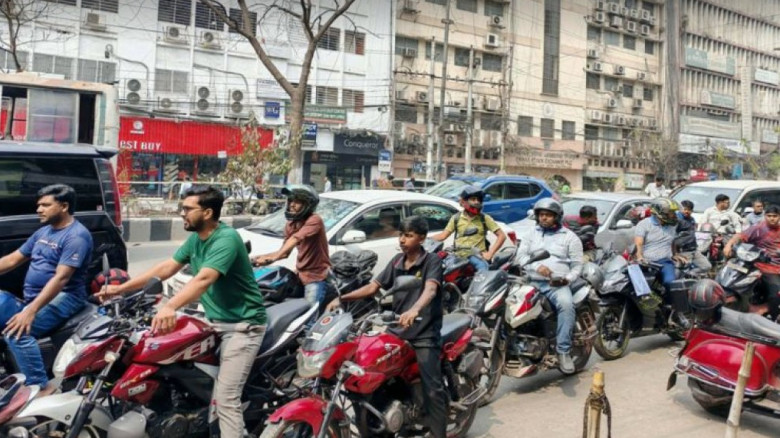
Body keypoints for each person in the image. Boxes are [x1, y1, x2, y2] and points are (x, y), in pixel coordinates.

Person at [97, 186, 267, 438]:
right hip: (212, 320)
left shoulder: (226, 239)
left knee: (226, 398)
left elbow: (203, 279)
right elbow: (167, 267)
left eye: (188, 209)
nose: (182, 213)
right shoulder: (196, 239)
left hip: (242, 326)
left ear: (207, 212)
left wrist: (170, 306)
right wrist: (121, 289)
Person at [326, 216, 447, 438]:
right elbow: (373, 287)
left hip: (424, 333)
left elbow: (430, 290)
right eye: (401, 234)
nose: (402, 240)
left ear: (421, 238)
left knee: (433, 388)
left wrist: (414, 310)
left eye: (408, 235)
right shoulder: (397, 261)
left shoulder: (432, 261)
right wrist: (342, 298)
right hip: (397, 330)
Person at [0, 184, 92, 396]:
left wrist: (30, 311)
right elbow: (12, 260)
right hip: (35, 297)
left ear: (64, 206)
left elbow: (61, 278)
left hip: (66, 296)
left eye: (45, 205)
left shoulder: (76, 236)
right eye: (38, 205)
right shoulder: (44, 232)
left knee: (17, 333)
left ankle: (41, 387)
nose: (39, 209)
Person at [515, 198, 582, 374]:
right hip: (531, 281)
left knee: (566, 306)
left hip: (555, 285)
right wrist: (537, 267)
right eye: (541, 215)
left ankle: (563, 351)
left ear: (557, 217)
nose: (544, 218)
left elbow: (577, 266)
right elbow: (520, 257)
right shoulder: (531, 234)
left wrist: (566, 279)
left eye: (548, 215)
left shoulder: (570, 237)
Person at [253, 185, 333, 309]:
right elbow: (284, 252)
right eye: (290, 200)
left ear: (308, 205)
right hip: (300, 275)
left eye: (297, 201)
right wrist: (260, 258)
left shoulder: (314, 220)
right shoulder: (291, 224)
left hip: (316, 277)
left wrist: (273, 258)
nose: (292, 204)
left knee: (308, 314)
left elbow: (295, 239)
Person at [723, 204, 780, 319]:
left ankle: (765, 310)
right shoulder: (758, 228)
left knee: (775, 294)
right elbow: (740, 236)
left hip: (774, 268)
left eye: (775, 216)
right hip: (756, 265)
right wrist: (728, 245)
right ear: (765, 216)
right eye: (769, 216)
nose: (772, 218)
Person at [431, 186, 507, 271]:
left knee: (482, 270)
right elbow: (443, 236)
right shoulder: (456, 218)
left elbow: (502, 236)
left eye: (478, 200)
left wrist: (490, 253)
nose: (476, 202)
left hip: (477, 256)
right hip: (458, 256)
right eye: (473, 199)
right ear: (464, 201)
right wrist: (424, 239)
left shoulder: (484, 218)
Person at [634, 198, 684, 295]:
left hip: (665, 262)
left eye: (674, 212)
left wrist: (675, 254)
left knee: (670, 283)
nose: (674, 215)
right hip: (646, 262)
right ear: (660, 213)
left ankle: (669, 302)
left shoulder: (673, 225)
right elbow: (639, 243)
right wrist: (640, 256)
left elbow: (672, 241)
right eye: (671, 213)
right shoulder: (644, 224)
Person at [675, 200, 712, 271]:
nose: (686, 211)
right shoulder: (676, 220)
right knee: (684, 269)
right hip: (683, 251)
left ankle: (692, 275)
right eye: (685, 209)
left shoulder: (692, 219)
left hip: (693, 249)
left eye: (689, 210)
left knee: (707, 266)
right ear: (680, 209)